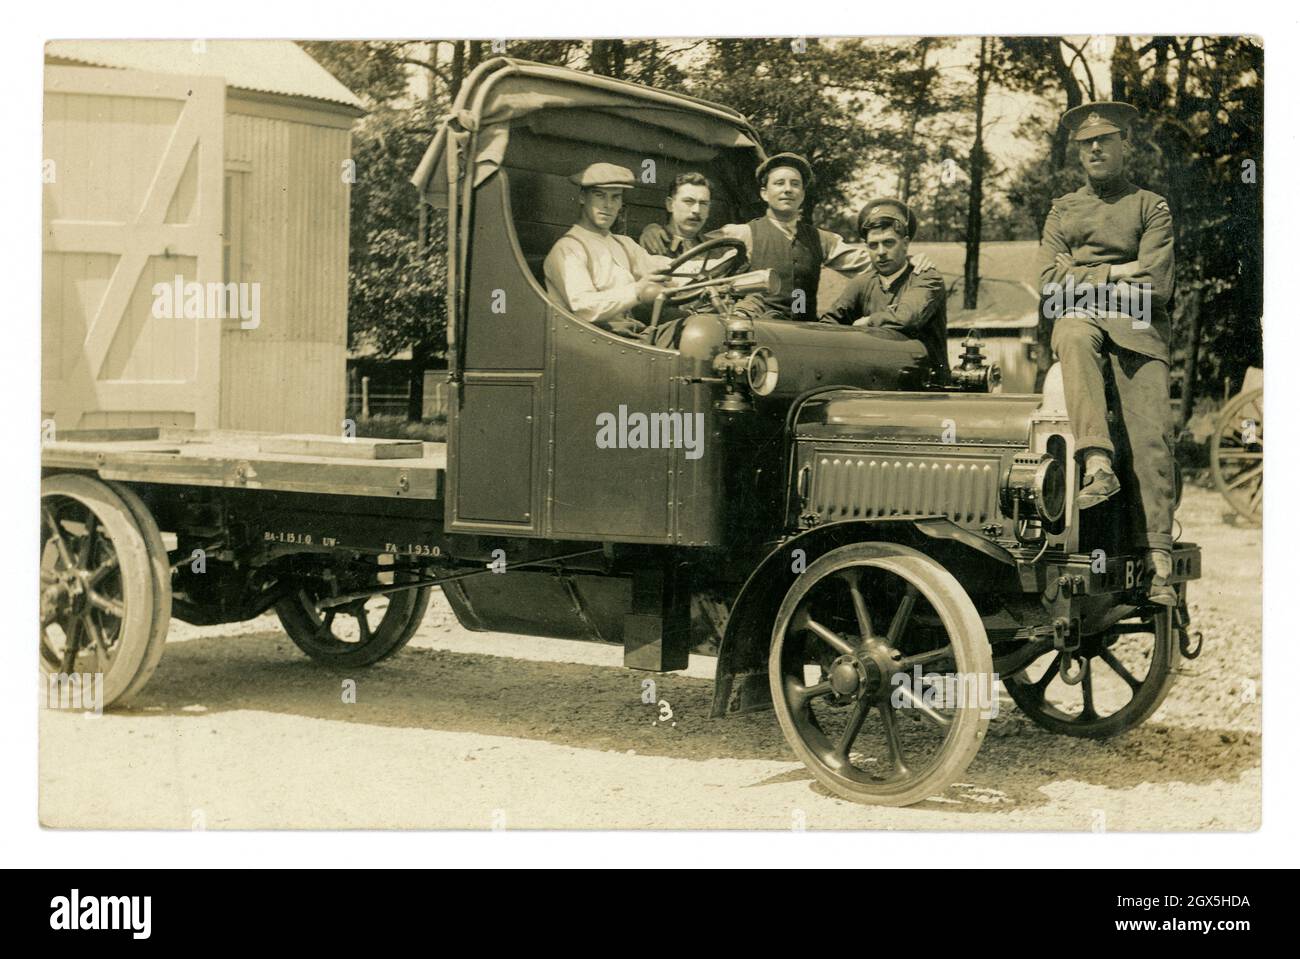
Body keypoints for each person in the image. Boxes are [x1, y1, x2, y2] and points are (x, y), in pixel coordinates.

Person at [1037, 101, 1177, 605]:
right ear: (1078, 152)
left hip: (1139, 331)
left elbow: (1156, 287)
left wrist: (1081, 275)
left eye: (1105, 141)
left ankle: (1158, 559)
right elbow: (1049, 289)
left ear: (1124, 146)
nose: (1095, 149)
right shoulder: (1062, 209)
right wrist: (1120, 271)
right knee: (1071, 332)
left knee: (1151, 436)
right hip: (1082, 323)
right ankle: (1097, 463)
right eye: (1086, 144)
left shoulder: (1150, 206)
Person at [641, 153, 909, 320]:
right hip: (757, 333)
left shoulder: (821, 239)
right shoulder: (743, 233)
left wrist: (912, 264)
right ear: (764, 193)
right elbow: (690, 241)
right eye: (779, 183)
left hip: (804, 332)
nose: (787, 190)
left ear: (802, 194)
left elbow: (872, 260)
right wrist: (656, 229)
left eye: (795, 184)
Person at [818, 198, 949, 380]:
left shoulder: (926, 277)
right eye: (873, 245)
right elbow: (828, 325)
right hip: (875, 383)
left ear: (905, 243)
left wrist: (868, 321)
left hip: (926, 388)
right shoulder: (862, 283)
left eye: (888, 243)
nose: (880, 252)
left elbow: (907, 318)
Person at [543, 162, 672, 336]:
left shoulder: (623, 243)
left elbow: (664, 268)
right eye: (600, 195)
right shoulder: (568, 249)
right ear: (582, 197)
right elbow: (584, 307)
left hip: (632, 335)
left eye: (615, 197)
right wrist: (637, 290)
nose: (608, 205)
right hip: (592, 341)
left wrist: (718, 263)